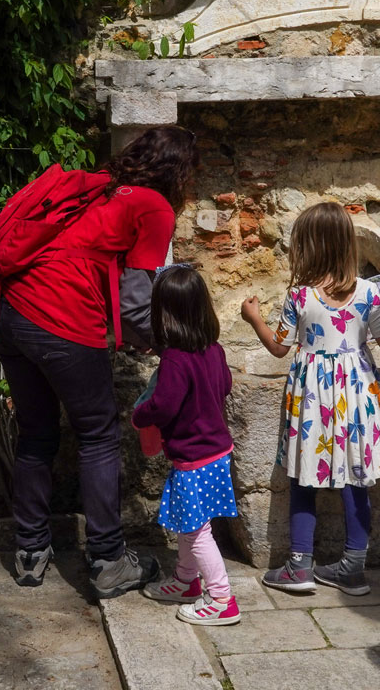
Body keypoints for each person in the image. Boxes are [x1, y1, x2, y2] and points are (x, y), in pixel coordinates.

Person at [0, 125, 198, 597]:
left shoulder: (95, 187)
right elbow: (133, 299)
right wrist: (163, 342)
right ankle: (107, 560)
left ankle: (29, 552)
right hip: (59, 315)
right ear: (179, 172)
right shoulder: (154, 206)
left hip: (8, 311)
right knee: (99, 435)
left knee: (36, 432)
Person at [241, 202, 380, 594]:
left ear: (308, 248)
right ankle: (353, 567)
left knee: (304, 475)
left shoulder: (300, 297)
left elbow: (279, 348)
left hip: (311, 396)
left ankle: (300, 566)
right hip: (357, 393)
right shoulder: (370, 292)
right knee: (357, 476)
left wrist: (253, 317)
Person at [133, 265, 241, 626]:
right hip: (216, 451)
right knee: (189, 524)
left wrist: (140, 414)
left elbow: (163, 406)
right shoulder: (214, 350)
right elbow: (224, 386)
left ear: (163, 313)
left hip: (194, 457)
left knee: (196, 531)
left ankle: (221, 597)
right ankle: (185, 581)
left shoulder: (176, 360)